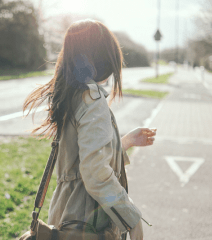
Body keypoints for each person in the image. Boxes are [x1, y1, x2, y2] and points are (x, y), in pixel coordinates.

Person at [23, 19, 156, 240]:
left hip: (65, 216)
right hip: (87, 223)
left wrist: (126, 142)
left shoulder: (72, 96)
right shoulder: (91, 100)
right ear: (102, 58)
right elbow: (94, 173)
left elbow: (84, 159)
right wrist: (131, 218)